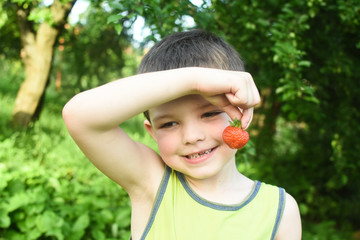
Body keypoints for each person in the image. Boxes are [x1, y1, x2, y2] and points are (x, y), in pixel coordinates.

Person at [63, 29, 302, 240]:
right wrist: (195, 81)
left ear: (240, 113)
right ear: (152, 132)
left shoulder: (280, 210)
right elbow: (80, 117)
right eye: (169, 124)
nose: (192, 136)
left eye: (209, 114)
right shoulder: (153, 184)